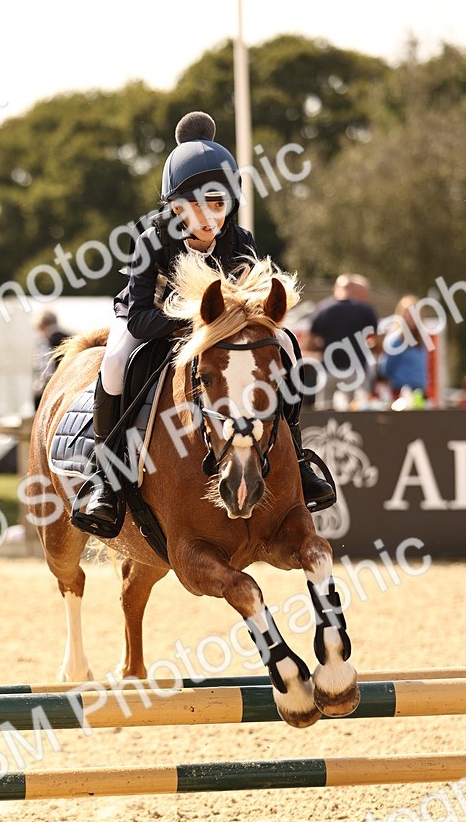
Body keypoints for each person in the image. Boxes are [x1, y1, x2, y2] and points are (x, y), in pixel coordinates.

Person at [74, 110, 336, 536]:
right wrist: (194, 324)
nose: (207, 216)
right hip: (151, 321)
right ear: (174, 207)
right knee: (115, 362)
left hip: (219, 335)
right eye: (193, 205)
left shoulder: (241, 241)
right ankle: (104, 476)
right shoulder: (150, 240)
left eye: (217, 203)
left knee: (285, 344)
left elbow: (249, 303)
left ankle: (299, 457)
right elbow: (140, 319)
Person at [307, 274, 378, 409]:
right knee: (357, 412)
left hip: (328, 370)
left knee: (323, 414)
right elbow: (377, 342)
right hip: (356, 371)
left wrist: (325, 345)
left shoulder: (321, 309)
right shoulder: (364, 310)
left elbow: (310, 344)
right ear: (352, 289)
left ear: (335, 288)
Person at [376, 295, 428, 399]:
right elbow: (385, 369)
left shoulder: (421, 341)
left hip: (419, 392)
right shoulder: (396, 341)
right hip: (401, 393)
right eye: (408, 313)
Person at [33, 309, 70, 409]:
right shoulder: (70, 337)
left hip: (53, 385)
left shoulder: (46, 341)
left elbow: (45, 369)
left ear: (43, 324)